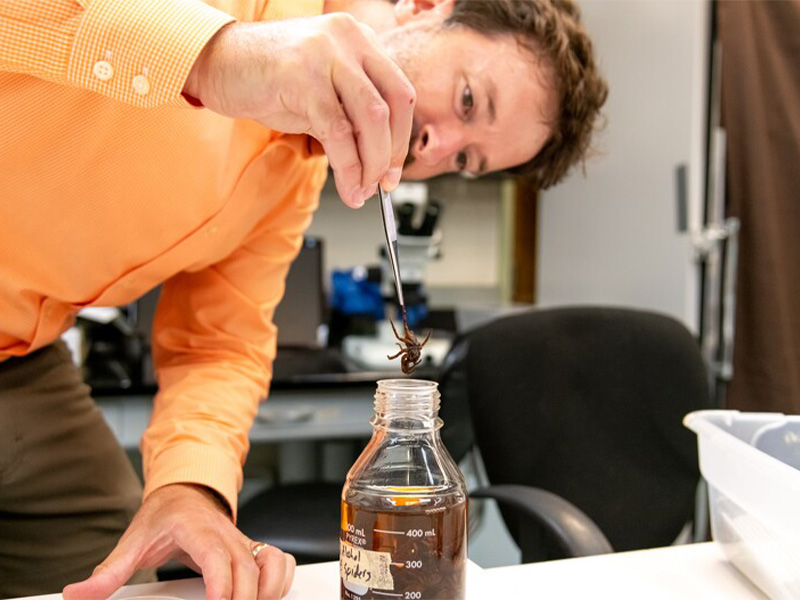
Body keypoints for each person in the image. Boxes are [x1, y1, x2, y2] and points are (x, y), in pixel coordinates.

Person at [0, 0, 607, 598]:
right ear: (425, 8)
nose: (434, 148)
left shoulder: (294, 175)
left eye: (465, 160)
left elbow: (220, 342)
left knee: (116, 576)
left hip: (23, 361)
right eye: (468, 99)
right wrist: (211, 55)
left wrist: (188, 487)